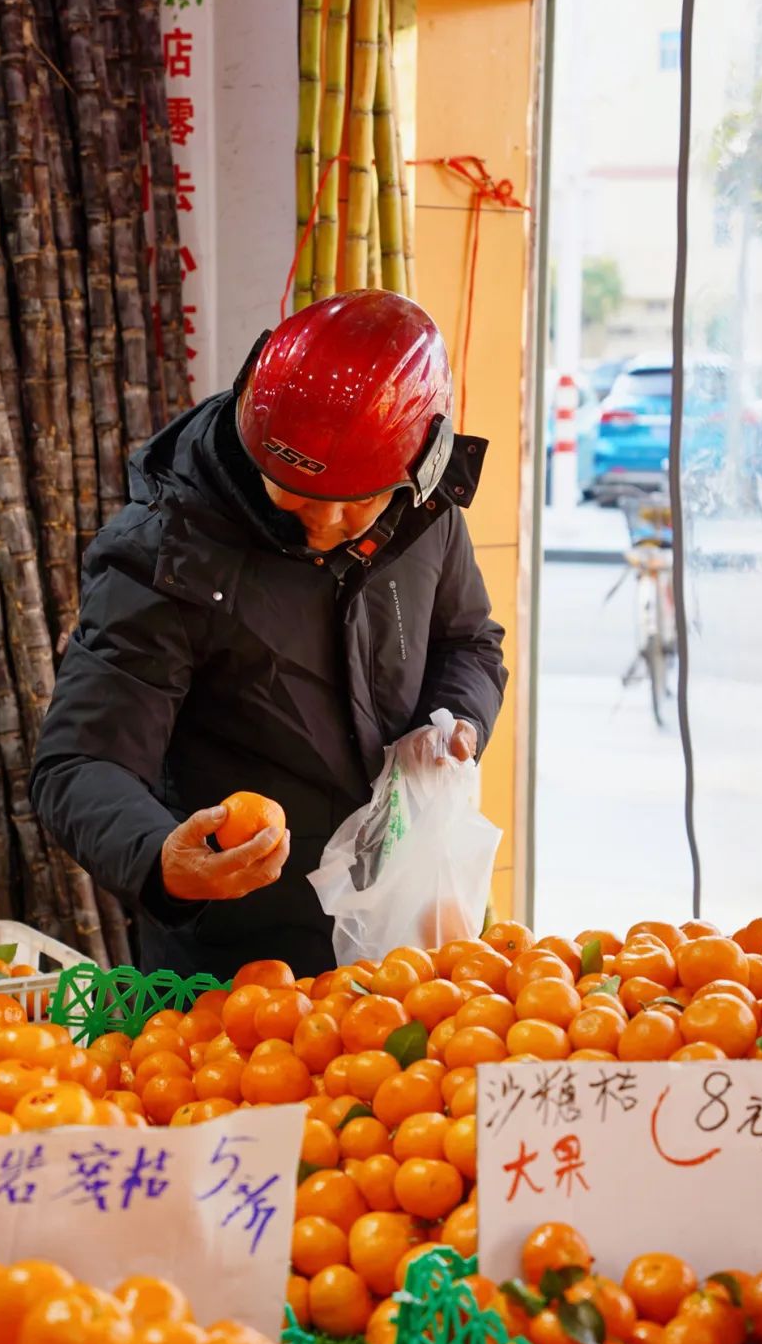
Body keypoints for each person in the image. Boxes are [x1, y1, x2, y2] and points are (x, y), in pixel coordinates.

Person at [31, 290, 507, 978]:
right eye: (292, 495)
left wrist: (458, 720)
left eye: (352, 508)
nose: (319, 525)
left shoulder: (423, 509)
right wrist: (163, 857)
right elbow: (79, 764)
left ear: (418, 465)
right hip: (241, 969)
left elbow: (468, 641)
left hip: (409, 945)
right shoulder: (164, 553)